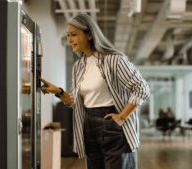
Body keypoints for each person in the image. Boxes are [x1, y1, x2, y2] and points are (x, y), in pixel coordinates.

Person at [39, 14, 150, 169]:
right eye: (68, 35)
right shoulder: (78, 66)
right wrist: (57, 91)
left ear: (90, 34)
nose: (70, 40)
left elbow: (141, 88)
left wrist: (121, 117)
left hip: (112, 125)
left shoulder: (113, 60)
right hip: (88, 125)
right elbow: (77, 102)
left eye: (74, 35)